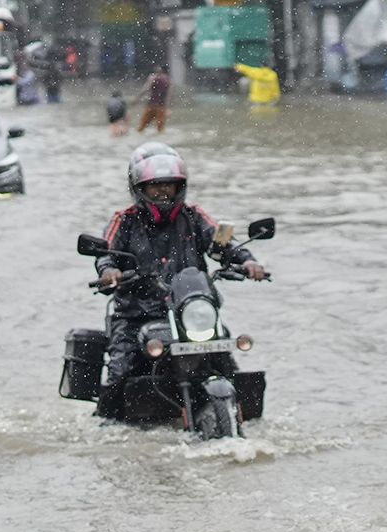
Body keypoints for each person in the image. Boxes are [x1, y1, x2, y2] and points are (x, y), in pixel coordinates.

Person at [92, 148, 266, 419]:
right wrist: (109, 271)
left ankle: (243, 417)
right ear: (139, 189)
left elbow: (223, 243)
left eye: (169, 186)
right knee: (120, 370)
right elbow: (106, 254)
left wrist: (248, 261)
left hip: (190, 313)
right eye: (155, 186)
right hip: (136, 315)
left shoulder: (196, 216)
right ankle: (106, 427)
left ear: (180, 187)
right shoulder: (123, 220)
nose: (163, 192)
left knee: (226, 358)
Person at [135, 65, 171, 133]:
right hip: (161, 106)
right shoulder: (167, 79)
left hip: (152, 105)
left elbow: (146, 89)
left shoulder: (153, 78)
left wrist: (137, 98)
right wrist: (167, 106)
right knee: (160, 128)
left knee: (142, 126)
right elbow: (169, 94)